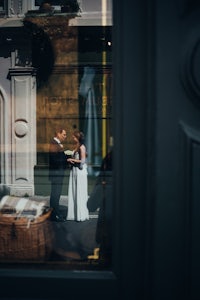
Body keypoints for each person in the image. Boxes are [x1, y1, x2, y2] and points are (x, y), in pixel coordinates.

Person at [66, 130, 89, 221]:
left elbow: (83, 161)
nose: (73, 138)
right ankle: (74, 214)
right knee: (74, 191)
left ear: (78, 138)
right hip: (74, 170)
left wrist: (73, 160)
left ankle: (80, 214)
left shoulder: (82, 147)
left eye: (74, 137)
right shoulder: (76, 146)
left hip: (80, 171)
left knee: (79, 191)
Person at [49, 128, 67, 222]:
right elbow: (54, 160)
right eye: (64, 134)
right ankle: (56, 215)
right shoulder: (54, 143)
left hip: (57, 174)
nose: (65, 136)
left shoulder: (56, 144)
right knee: (56, 195)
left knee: (56, 194)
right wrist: (65, 159)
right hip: (56, 174)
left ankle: (53, 214)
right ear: (58, 134)